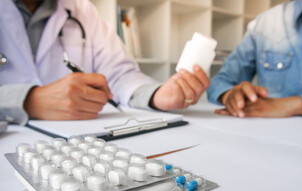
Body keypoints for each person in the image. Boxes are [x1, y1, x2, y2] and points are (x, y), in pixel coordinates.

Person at [0, 0, 209, 125]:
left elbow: (120, 74)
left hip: (78, 141)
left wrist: (155, 95)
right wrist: (29, 101)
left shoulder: (82, 10)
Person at [207, 0, 302, 120]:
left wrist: (298, 105)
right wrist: (230, 96)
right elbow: (220, 81)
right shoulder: (265, 23)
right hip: (268, 141)